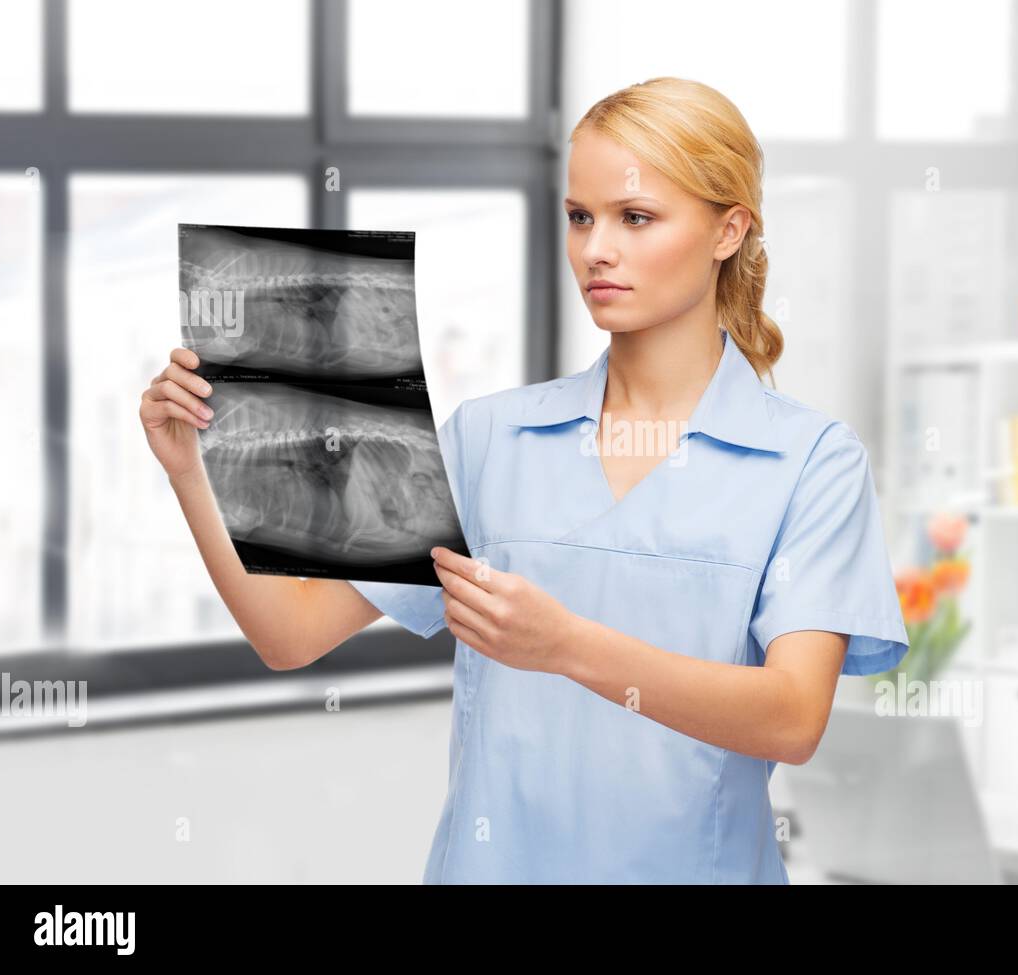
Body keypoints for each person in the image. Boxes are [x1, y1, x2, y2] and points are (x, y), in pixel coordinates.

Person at [141, 77, 909, 884]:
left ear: (729, 230)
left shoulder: (811, 462)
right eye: (580, 217)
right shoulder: (489, 439)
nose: (596, 250)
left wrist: (568, 646)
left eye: (635, 218)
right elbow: (288, 634)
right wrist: (193, 472)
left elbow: (792, 717)